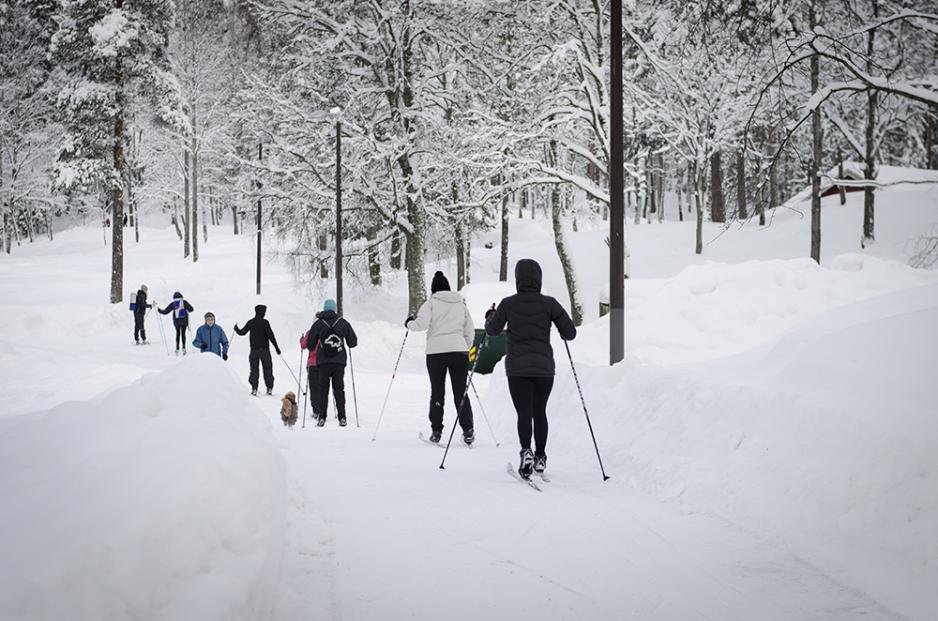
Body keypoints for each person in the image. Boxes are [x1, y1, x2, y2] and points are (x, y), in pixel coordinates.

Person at [485, 259, 576, 479]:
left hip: (517, 368)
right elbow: (570, 333)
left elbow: (492, 331)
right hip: (544, 368)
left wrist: (490, 316)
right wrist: (559, 327)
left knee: (524, 412)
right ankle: (540, 457)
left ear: (518, 278)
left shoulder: (508, 303)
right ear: (539, 278)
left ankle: (526, 452)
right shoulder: (550, 303)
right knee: (539, 411)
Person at [406, 271, 475, 445]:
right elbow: (470, 330)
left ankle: (436, 430)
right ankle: (468, 430)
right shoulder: (461, 304)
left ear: (434, 289)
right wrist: (464, 347)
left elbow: (420, 325)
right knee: (461, 391)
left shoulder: (430, 303)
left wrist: (409, 323)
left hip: (436, 353)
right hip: (459, 352)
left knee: (437, 391)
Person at [304, 299, 357, 427]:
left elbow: (310, 345)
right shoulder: (342, 323)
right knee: (339, 389)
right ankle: (342, 417)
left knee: (323, 390)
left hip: (323, 362)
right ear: (334, 309)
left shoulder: (318, 324)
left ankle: (322, 417)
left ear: (324, 309)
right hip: (339, 362)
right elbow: (353, 342)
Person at [234, 304, 281, 396]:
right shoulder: (265, 322)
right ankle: (269, 388)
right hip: (265, 350)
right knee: (268, 369)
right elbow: (271, 336)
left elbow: (242, 332)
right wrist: (276, 348)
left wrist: (236, 329)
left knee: (254, 370)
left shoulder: (251, 322)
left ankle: (254, 388)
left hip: (254, 350)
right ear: (263, 312)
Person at [299, 311, 322, 421]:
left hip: (312, 364)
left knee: (313, 388)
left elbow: (304, 346)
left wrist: (301, 340)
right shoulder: (325, 331)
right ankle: (322, 409)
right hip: (323, 364)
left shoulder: (310, 332)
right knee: (322, 388)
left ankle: (316, 410)